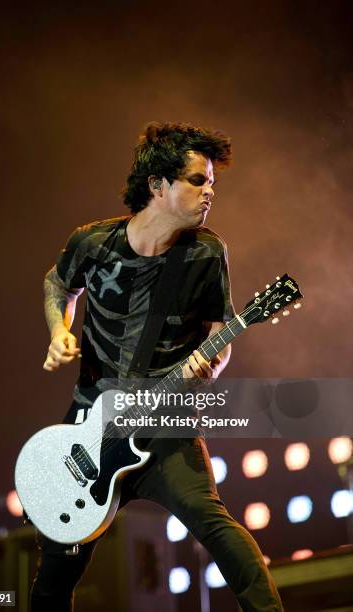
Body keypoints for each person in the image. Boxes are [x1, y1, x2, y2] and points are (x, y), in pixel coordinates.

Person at [30, 122, 283, 611]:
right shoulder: (93, 242)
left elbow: (220, 332)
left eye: (212, 181)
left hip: (166, 427)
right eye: (196, 179)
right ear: (158, 185)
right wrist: (59, 331)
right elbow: (57, 285)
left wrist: (212, 365)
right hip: (90, 427)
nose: (209, 190)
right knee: (56, 569)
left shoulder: (206, 253)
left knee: (215, 525)